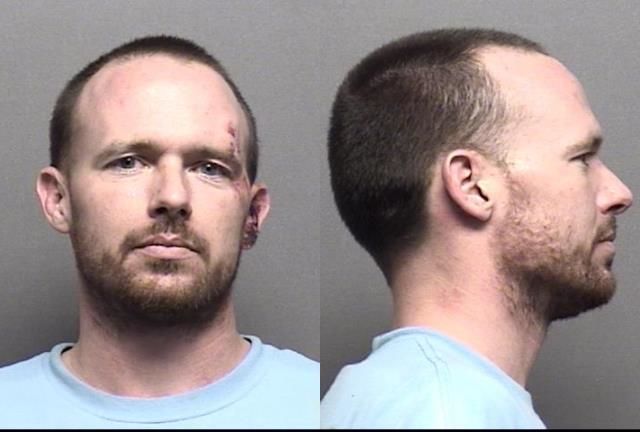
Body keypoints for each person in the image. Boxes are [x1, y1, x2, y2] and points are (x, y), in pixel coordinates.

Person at [0, 35, 318, 428]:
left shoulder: (322, 408)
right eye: (128, 162)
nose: (172, 196)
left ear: (252, 214)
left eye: (209, 168)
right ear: (58, 199)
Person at [321, 28, 633, 429]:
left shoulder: (394, 397)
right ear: (472, 186)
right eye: (582, 158)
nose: (619, 194)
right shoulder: (444, 413)